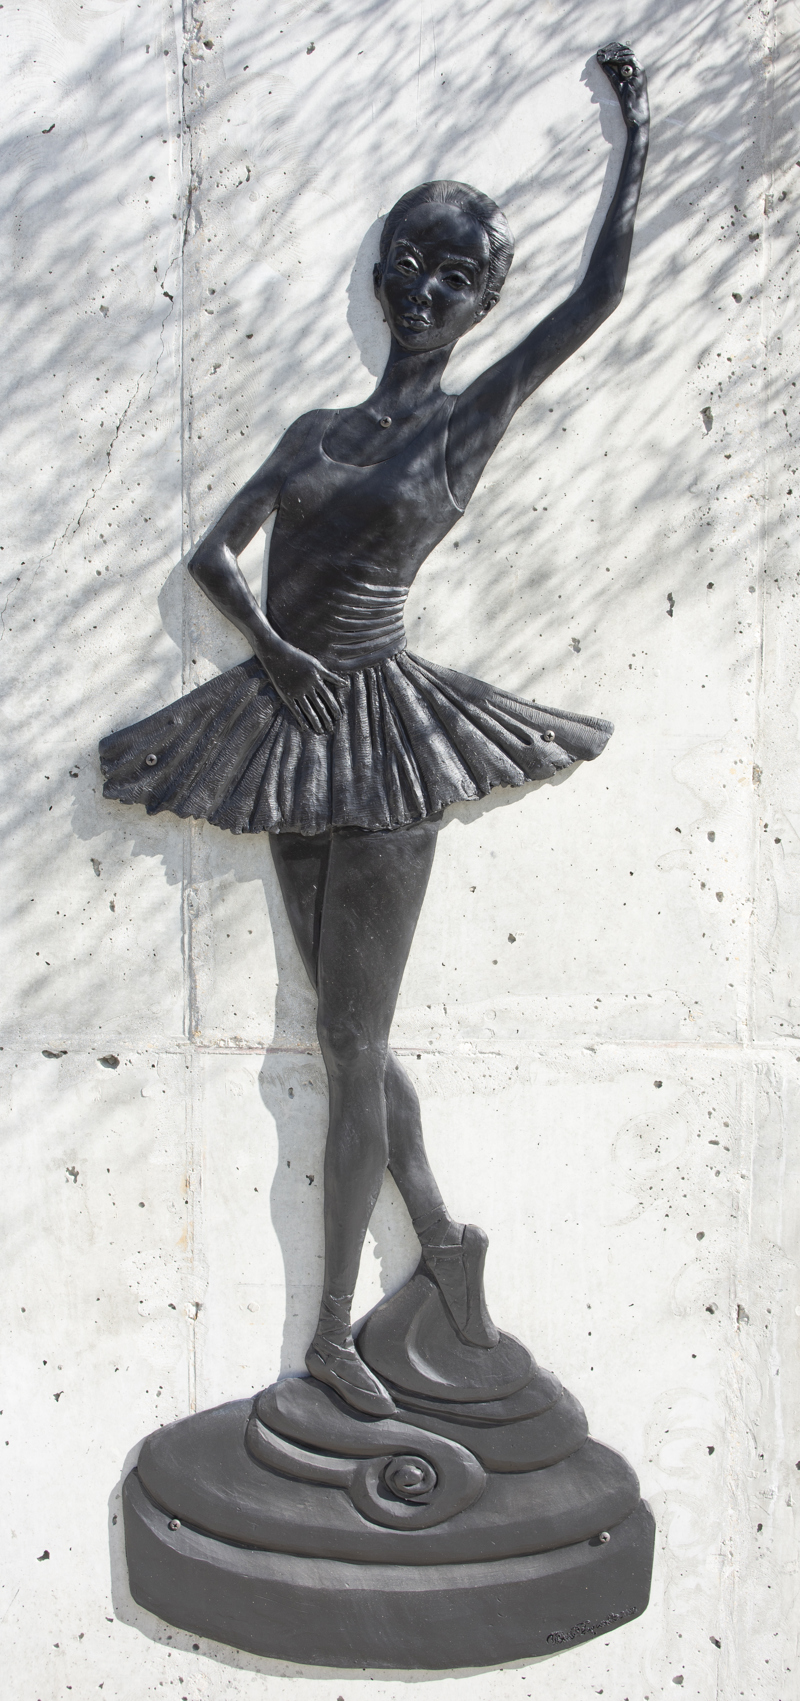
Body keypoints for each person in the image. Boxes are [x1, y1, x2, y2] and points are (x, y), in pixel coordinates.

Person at [100, 45, 649, 1417]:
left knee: (348, 1040)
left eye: (458, 279)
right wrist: (275, 654)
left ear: (480, 306)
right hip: (289, 727)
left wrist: (632, 138)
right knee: (348, 1028)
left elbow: (600, 296)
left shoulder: (462, 428)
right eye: (412, 262)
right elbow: (215, 561)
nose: (426, 291)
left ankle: (334, 1338)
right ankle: (447, 1245)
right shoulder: (313, 429)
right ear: (381, 269)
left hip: (390, 735)